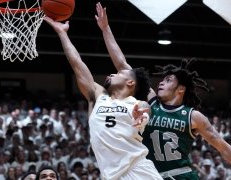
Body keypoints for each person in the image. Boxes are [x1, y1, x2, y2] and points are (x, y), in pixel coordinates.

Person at [95, 2, 231, 179]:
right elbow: (122, 65)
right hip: (151, 176)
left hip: (182, 175)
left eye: (168, 80)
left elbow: (223, 148)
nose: (161, 83)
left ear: (181, 89)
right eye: (162, 80)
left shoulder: (193, 116)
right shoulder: (151, 102)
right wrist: (106, 29)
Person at [44, 16, 163, 180]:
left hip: (138, 171)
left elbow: (145, 111)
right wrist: (62, 33)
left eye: (118, 73)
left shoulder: (137, 103)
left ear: (130, 82)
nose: (112, 73)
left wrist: (141, 117)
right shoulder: (98, 96)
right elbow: (77, 64)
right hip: (110, 175)